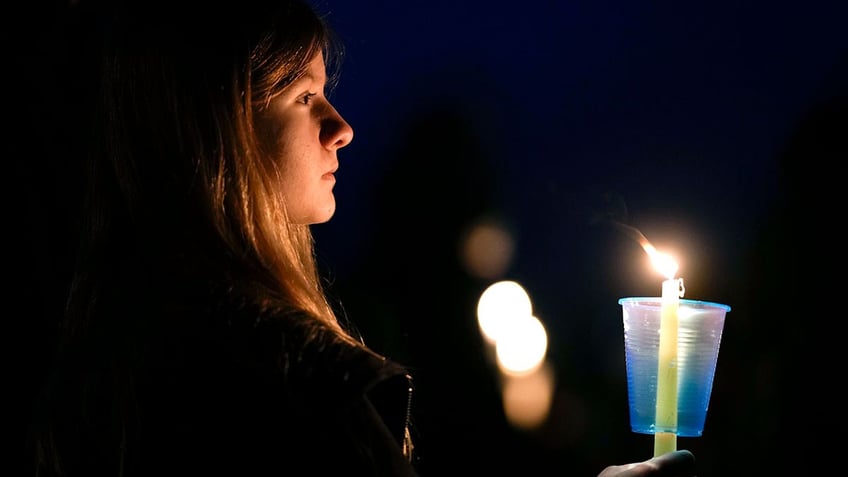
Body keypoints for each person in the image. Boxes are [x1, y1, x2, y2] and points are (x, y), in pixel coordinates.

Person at [24, 0, 698, 475]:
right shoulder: (278, 381)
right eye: (302, 95)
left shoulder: (121, 335)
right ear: (219, 130)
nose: (341, 126)